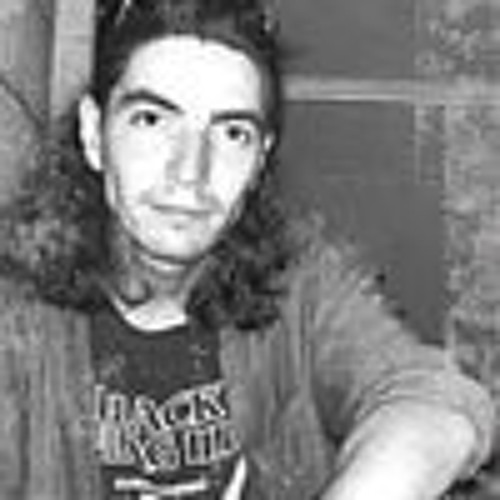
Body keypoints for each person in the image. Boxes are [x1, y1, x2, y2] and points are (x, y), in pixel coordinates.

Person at [0, 0, 495, 498]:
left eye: (232, 133)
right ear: (93, 134)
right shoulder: (17, 311)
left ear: (260, 160)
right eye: (151, 119)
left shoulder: (303, 288)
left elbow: (431, 402)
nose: (190, 171)